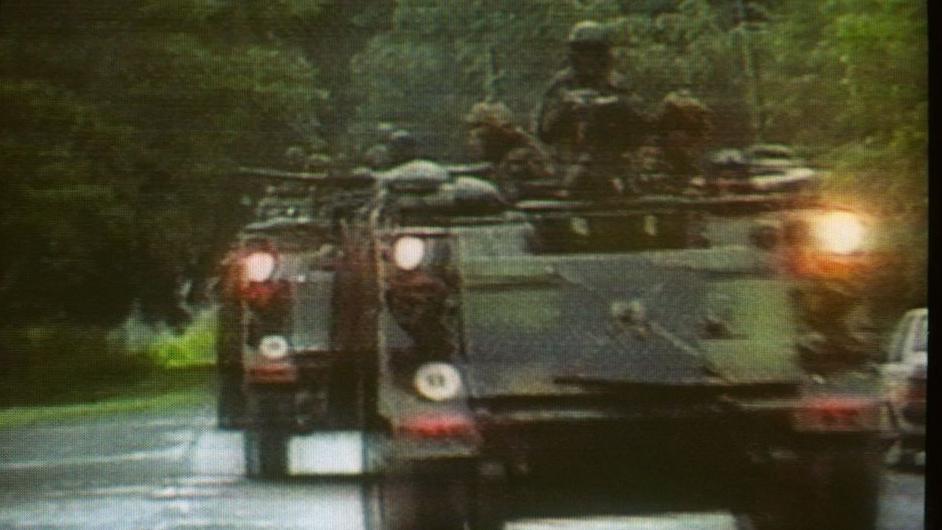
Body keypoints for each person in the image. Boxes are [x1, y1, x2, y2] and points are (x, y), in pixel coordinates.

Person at [534, 20, 650, 196]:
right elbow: (544, 131)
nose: (588, 58)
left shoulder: (618, 85)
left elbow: (641, 130)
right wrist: (566, 108)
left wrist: (616, 106)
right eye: (583, 52)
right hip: (568, 166)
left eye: (594, 52)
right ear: (574, 54)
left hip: (613, 166)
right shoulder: (560, 85)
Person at [464, 101, 553, 200]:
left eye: (479, 129)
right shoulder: (498, 159)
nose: (472, 138)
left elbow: (510, 197)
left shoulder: (517, 158)